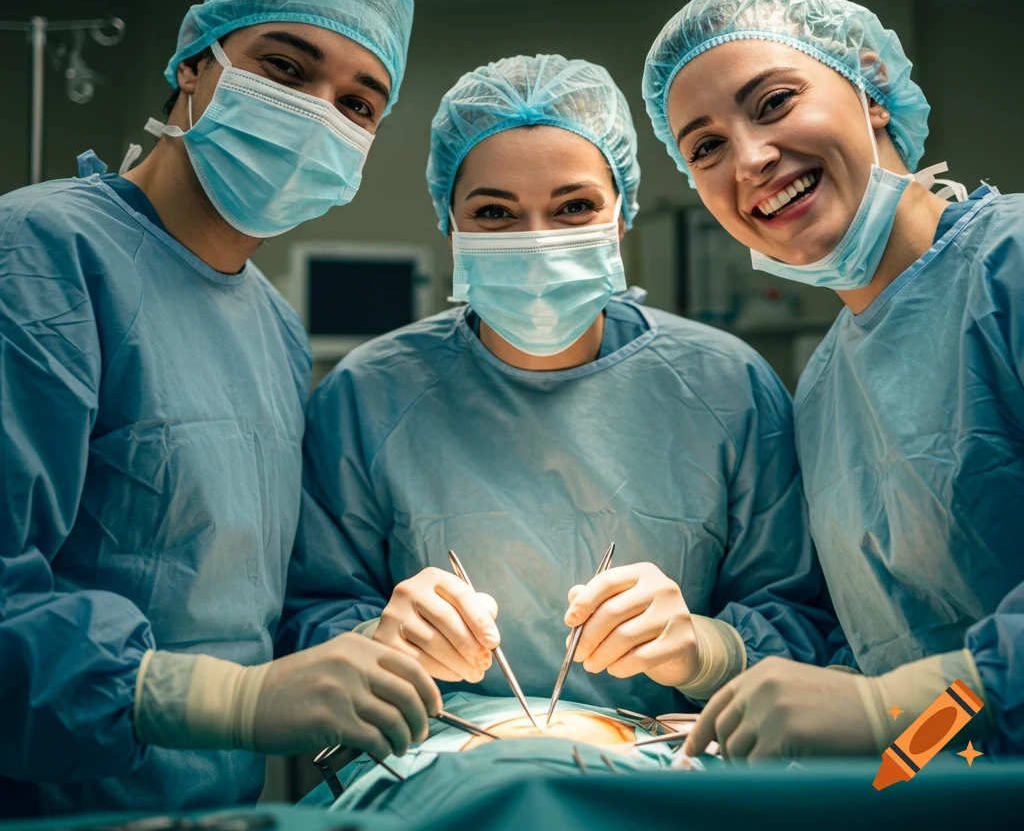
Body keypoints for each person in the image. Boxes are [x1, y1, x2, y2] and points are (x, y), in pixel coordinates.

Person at [0, 0, 441, 817]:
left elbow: (231, 598)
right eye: (286, 67)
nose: (318, 111)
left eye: (358, 103)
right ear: (194, 64)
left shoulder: (275, 330)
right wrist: (229, 702)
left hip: (218, 806)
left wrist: (373, 640)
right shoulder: (40, 256)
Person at [278, 53, 836, 721]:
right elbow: (308, 619)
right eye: (494, 212)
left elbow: (803, 624)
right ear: (450, 227)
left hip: (666, 767)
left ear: (620, 219)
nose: (537, 242)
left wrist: (707, 651)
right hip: (440, 769)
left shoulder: (727, 387)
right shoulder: (368, 396)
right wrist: (376, 643)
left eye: (575, 207)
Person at [641, 0, 1024, 760]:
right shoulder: (821, 391)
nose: (750, 159)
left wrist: (892, 708)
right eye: (706, 148)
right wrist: (770, 694)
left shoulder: (1011, 269)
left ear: (871, 89)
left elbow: (942, 695)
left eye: (774, 102)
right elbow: (909, 673)